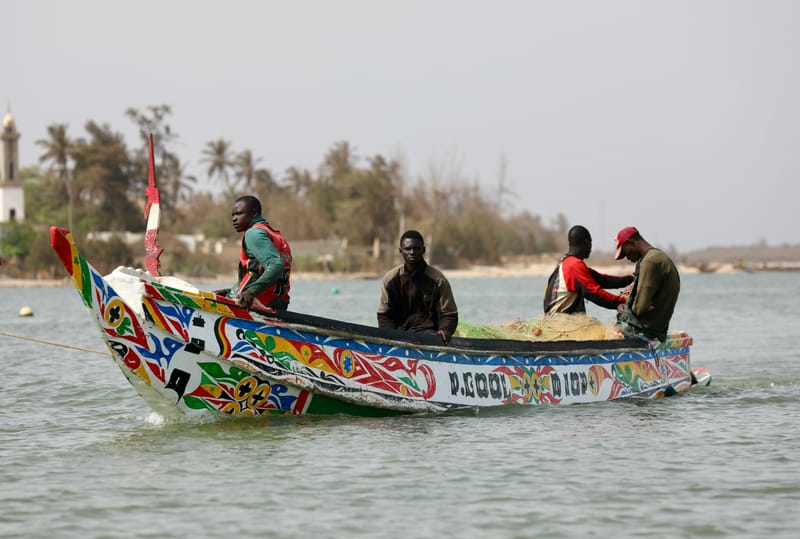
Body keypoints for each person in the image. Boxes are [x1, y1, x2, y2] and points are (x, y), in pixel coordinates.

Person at [377, 230, 458, 344]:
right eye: (408, 249)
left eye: (416, 248)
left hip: (430, 337)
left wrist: (444, 330)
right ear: (401, 251)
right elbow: (384, 315)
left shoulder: (438, 280)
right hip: (398, 337)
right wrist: (391, 336)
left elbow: (449, 315)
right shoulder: (390, 279)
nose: (412, 252)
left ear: (423, 250)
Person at [543, 225, 633, 315]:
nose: (591, 248)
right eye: (590, 243)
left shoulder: (567, 263)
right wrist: (623, 301)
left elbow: (603, 280)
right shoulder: (573, 266)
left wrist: (631, 279)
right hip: (560, 322)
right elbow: (595, 294)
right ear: (586, 242)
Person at [224, 195, 292, 310]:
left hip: (253, 304)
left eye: (239, 214)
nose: (234, 219)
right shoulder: (277, 236)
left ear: (254, 213)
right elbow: (256, 272)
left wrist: (251, 292)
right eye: (233, 215)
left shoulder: (253, 234)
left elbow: (276, 266)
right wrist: (228, 292)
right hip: (279, 304)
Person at [613, 226, 680, 341]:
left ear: (631, 243)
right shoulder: (655, 257)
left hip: (647, 330)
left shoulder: (650, 261)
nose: (627, 257)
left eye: (624, 252)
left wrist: (622, 309)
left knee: (608, 334)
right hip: (657, 327)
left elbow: (639, 308)